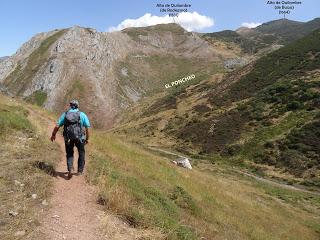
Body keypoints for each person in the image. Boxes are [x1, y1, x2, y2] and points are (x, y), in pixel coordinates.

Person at [50, 100, 91, 178]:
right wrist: (87, 138)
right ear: (77, 106)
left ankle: (70, 169)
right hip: (80, 138)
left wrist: (53, 135)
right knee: (81, 153)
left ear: (70, 106)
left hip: (68, 138)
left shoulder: (65, 114)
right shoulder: (82, 114)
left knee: (69, 153)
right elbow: (87, 128)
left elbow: (57, 126)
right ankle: (79, 171)